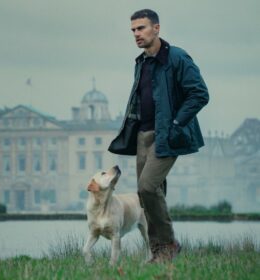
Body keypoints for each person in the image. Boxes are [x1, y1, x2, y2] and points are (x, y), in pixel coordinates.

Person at [108, 9, 209, 263]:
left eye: (141, 28)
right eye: (133, 30)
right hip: (143, 135)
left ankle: (168, 244)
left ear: (157, 28)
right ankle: (159, 251)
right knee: (148, 194)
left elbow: (199, 94)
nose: (136, 34)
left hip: (168, 135)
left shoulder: (177, 57)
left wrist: (176, 123)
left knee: (147, 186)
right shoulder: (141, 62)